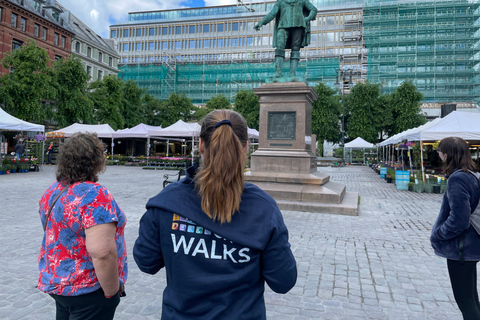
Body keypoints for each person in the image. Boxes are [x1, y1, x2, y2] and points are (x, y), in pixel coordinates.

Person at [133, 109, 297, 319]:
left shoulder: (166, 202)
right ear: (245, 147)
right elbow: (283, 280)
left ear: (201, 144)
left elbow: (146, 261)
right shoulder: (263, 208)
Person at [38, 132, 127, 320]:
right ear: (97, 161)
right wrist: (112, 291)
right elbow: (103, 253)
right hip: (88, 288)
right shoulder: (94, 195)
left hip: (59, 284)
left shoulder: (53, 191)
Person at [430, 137, 480, 320]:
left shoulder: (458, 179)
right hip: (470, 247)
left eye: (440, 151)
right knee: (472, 299)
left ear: (447, 154)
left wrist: (438, 234)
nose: (439, 154)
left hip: (461, 249)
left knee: (465, 302)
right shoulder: (471, 174)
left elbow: (459, 219)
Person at [254, 0, 317, 78]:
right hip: (283, 26)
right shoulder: (280, 1)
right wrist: (262, 22)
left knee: (295, 49)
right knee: (279, 47)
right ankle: (278, 73)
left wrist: (307, 19)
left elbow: (313, 9)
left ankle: (292, 73)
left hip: (298, 26)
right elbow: (273, 13)